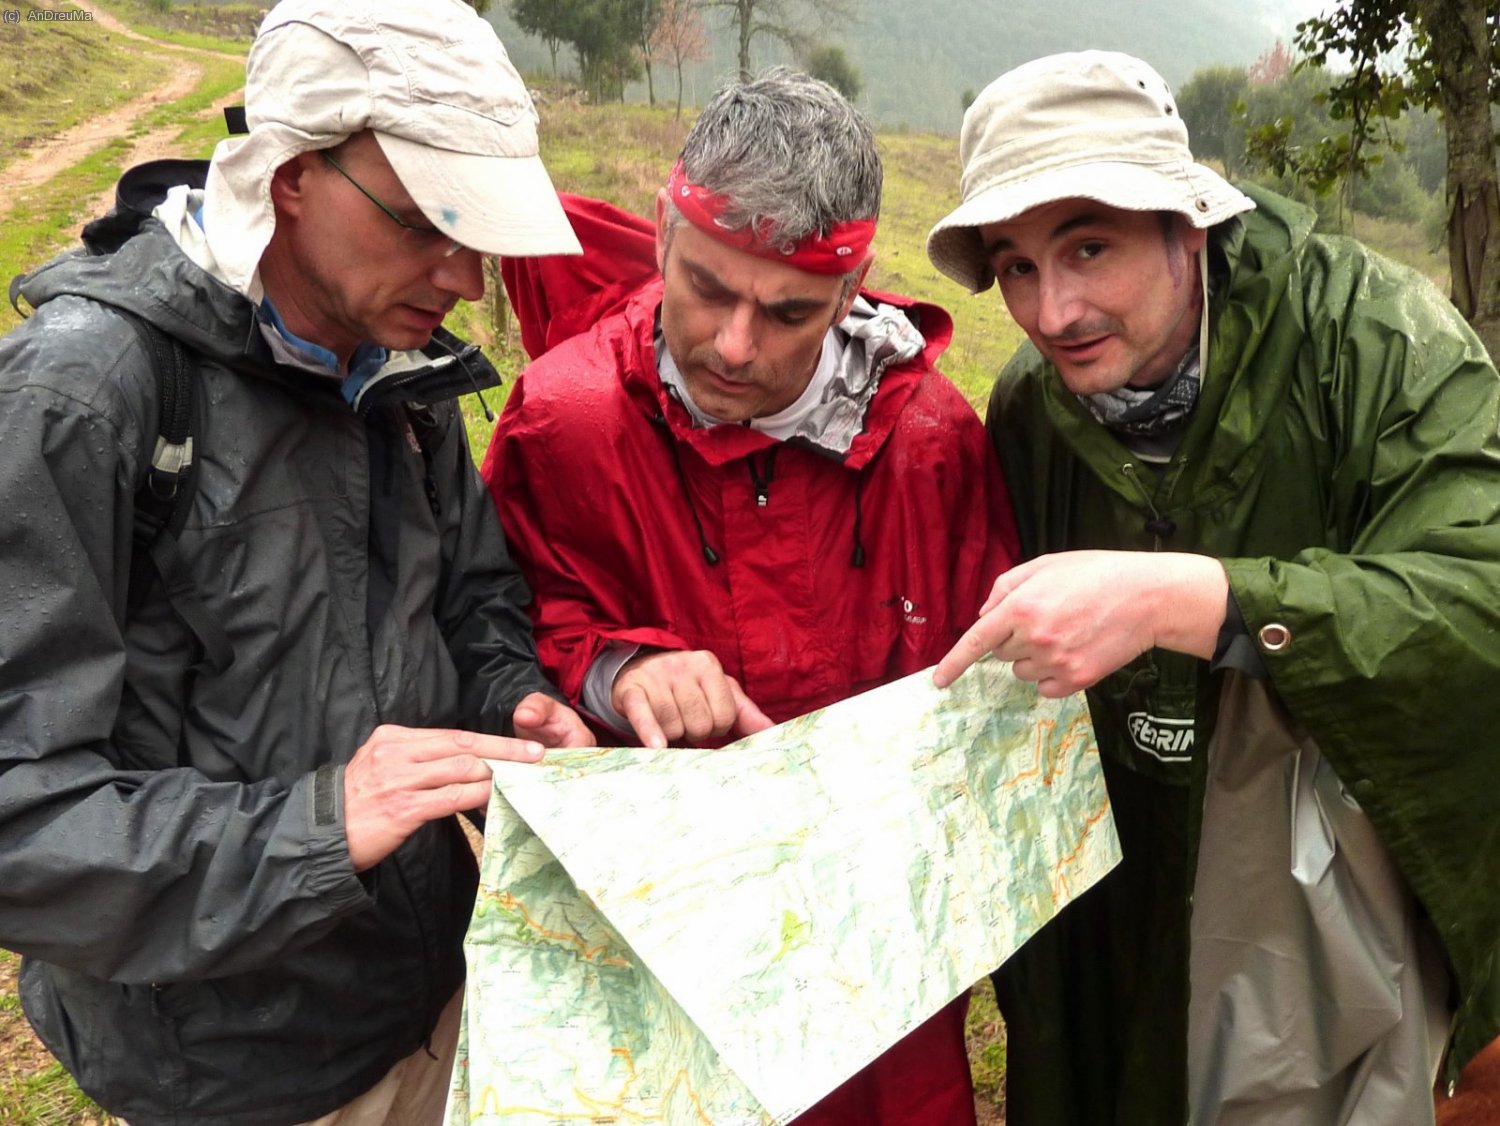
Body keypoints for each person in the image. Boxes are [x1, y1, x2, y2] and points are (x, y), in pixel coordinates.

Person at [0, 1, 593, 1123]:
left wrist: (512, 696)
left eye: (480, 233)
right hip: (232, 1070)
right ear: (291, 175)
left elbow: (470, 595)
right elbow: (21, 813)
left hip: (430, 999)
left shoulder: (402, 369)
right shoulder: (83, 396)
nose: (466, 279)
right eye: (426, 223)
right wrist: (318, 830)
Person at [925, 49, 1500, 1126]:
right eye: (1016, 268)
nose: (1054, 310)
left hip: (1326, 890)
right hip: (1114, 879)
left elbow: (1476, 597)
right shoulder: (1029, 408)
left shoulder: (1375, 343)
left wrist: (1195, 602)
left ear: (1186, 225)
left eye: (1088, 247)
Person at [484, 69, 1018, 1125]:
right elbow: (500, 633)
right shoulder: (564, 422)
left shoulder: (930, 444)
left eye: (788, 313)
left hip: (876, 989)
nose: (735, 346)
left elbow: (990, 717)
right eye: (708, 290)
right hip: (654, 965)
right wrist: (614, 669)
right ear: (662, 233)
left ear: (853, 287)